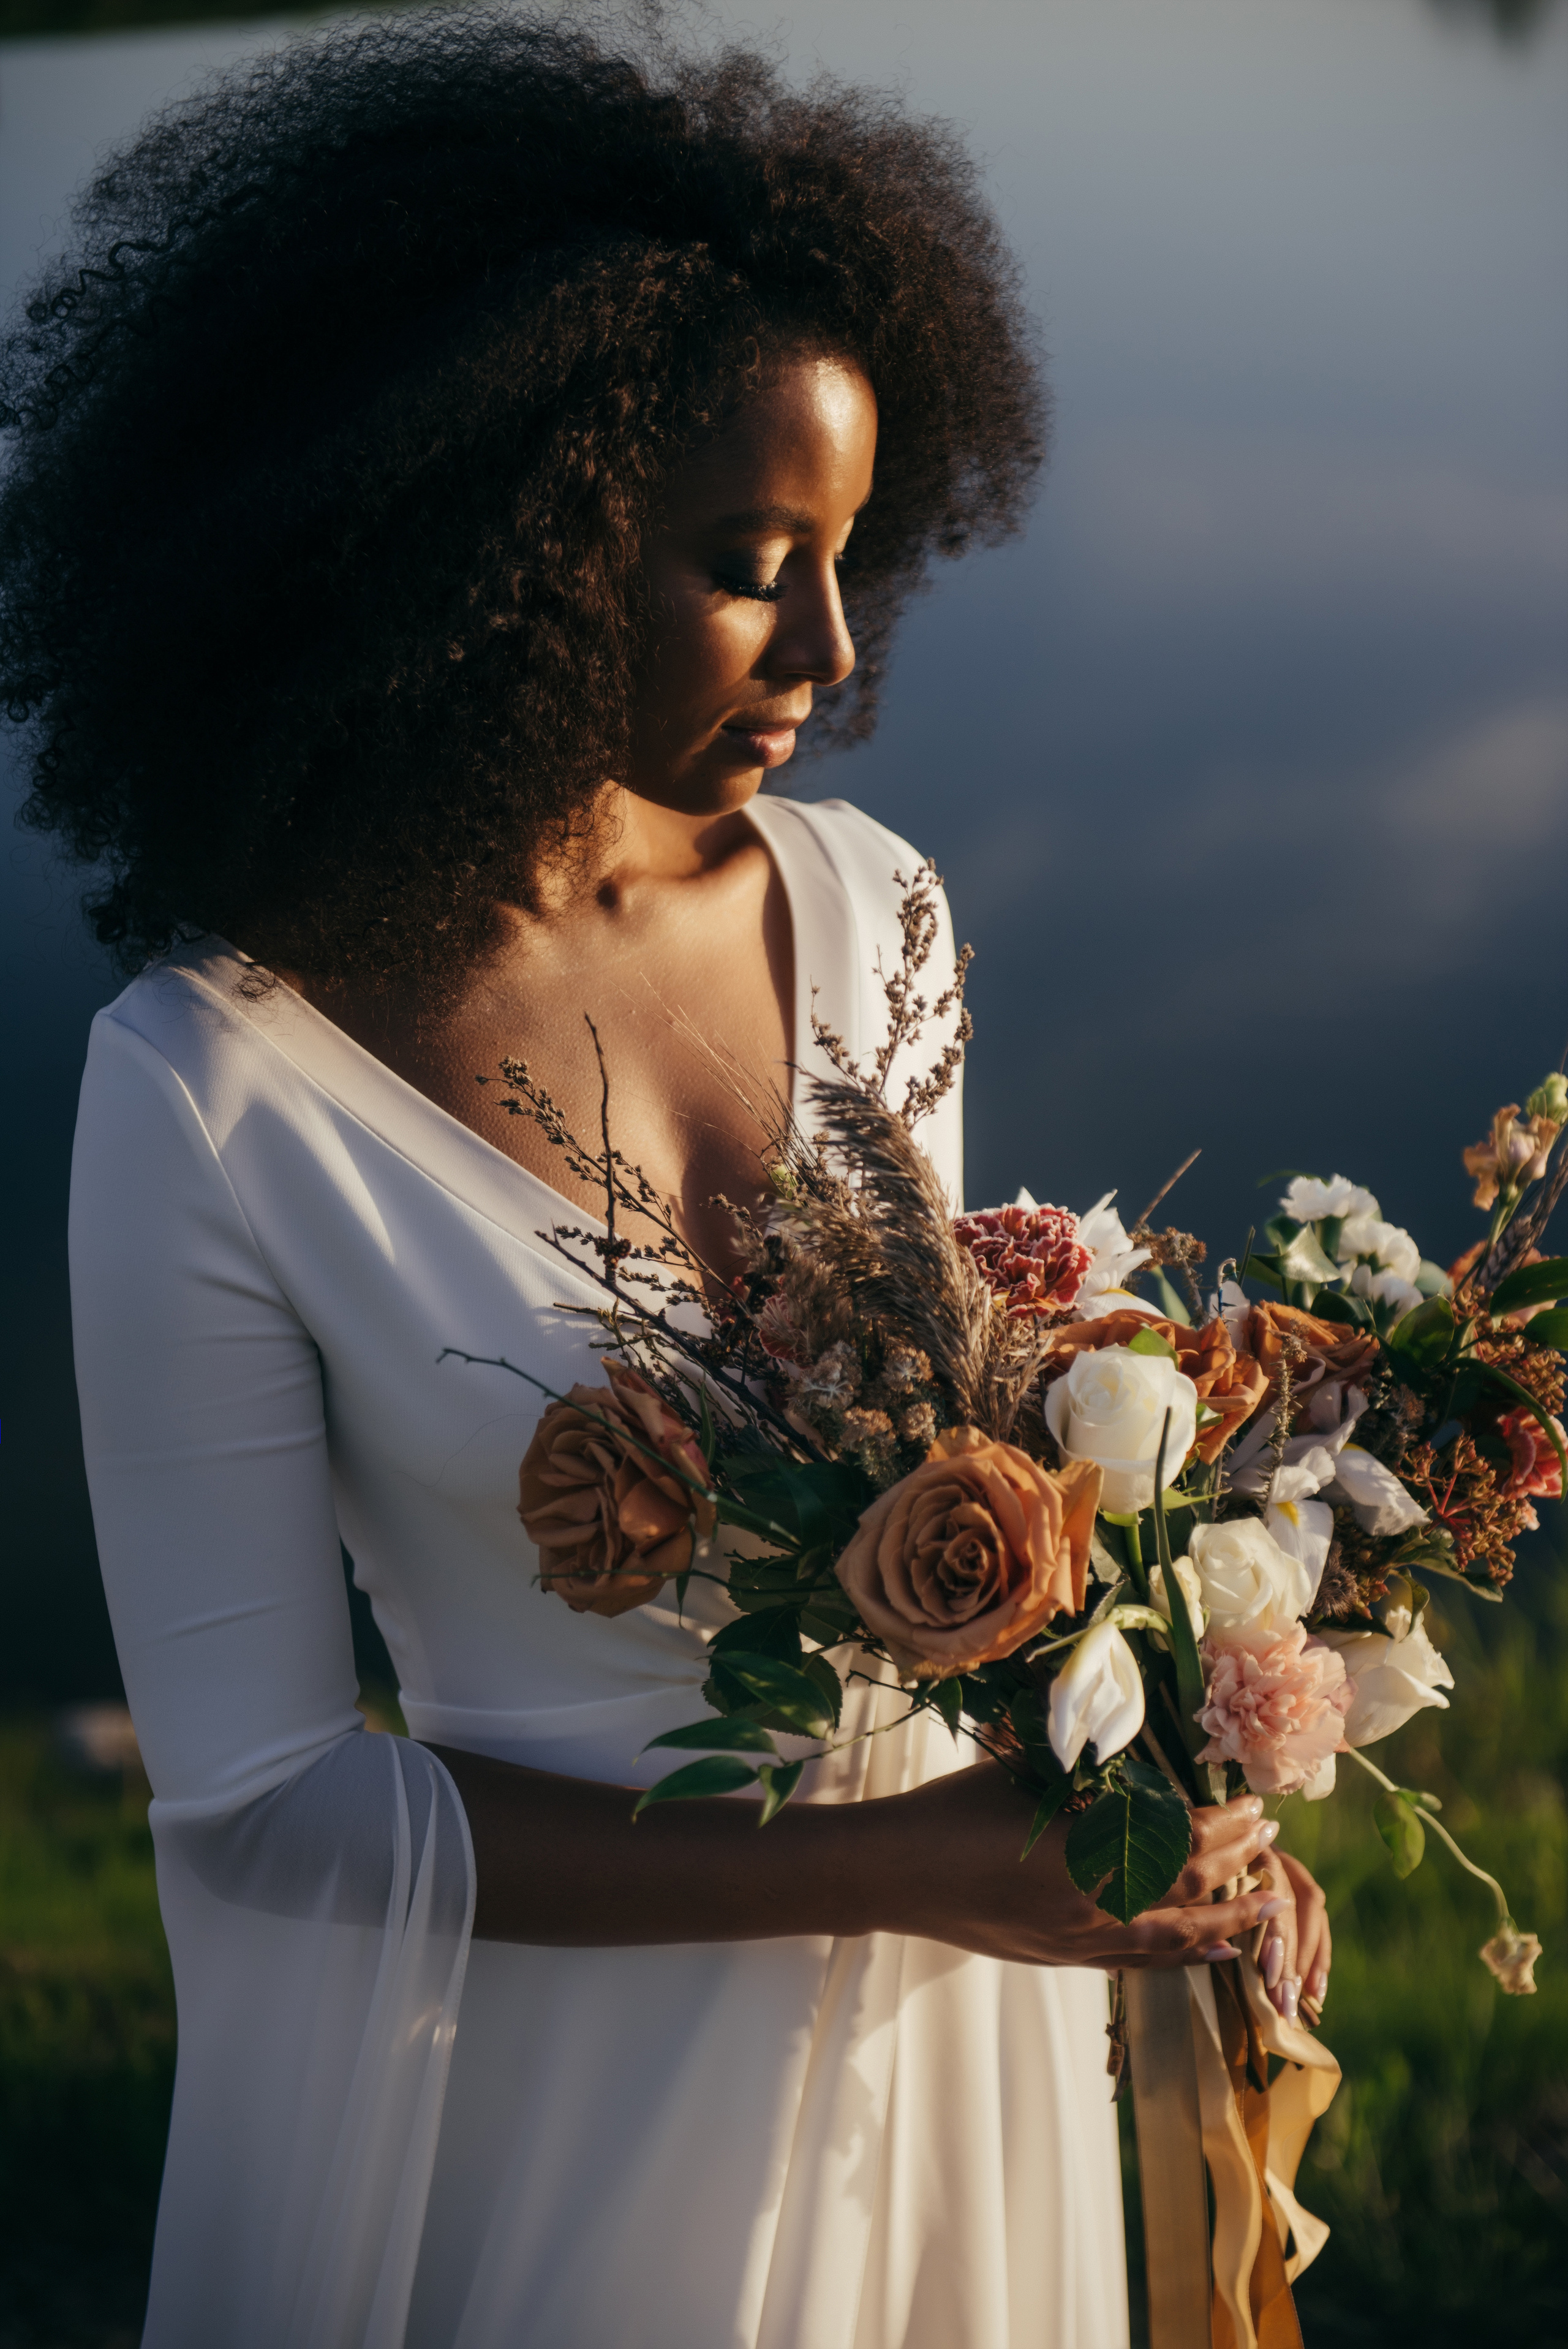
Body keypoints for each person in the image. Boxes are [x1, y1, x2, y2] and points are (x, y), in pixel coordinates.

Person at [2, 10, 1329, 2344]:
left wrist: (1171, 1797)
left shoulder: (876, 913)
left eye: (848, 552)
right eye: (751, 563)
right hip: (579, 2096)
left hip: (960, 2044)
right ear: (506, 543)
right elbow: (265, 1811)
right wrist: (903, 1863)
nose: (834, 645)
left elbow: (962, 1477)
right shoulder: (211, 1094)